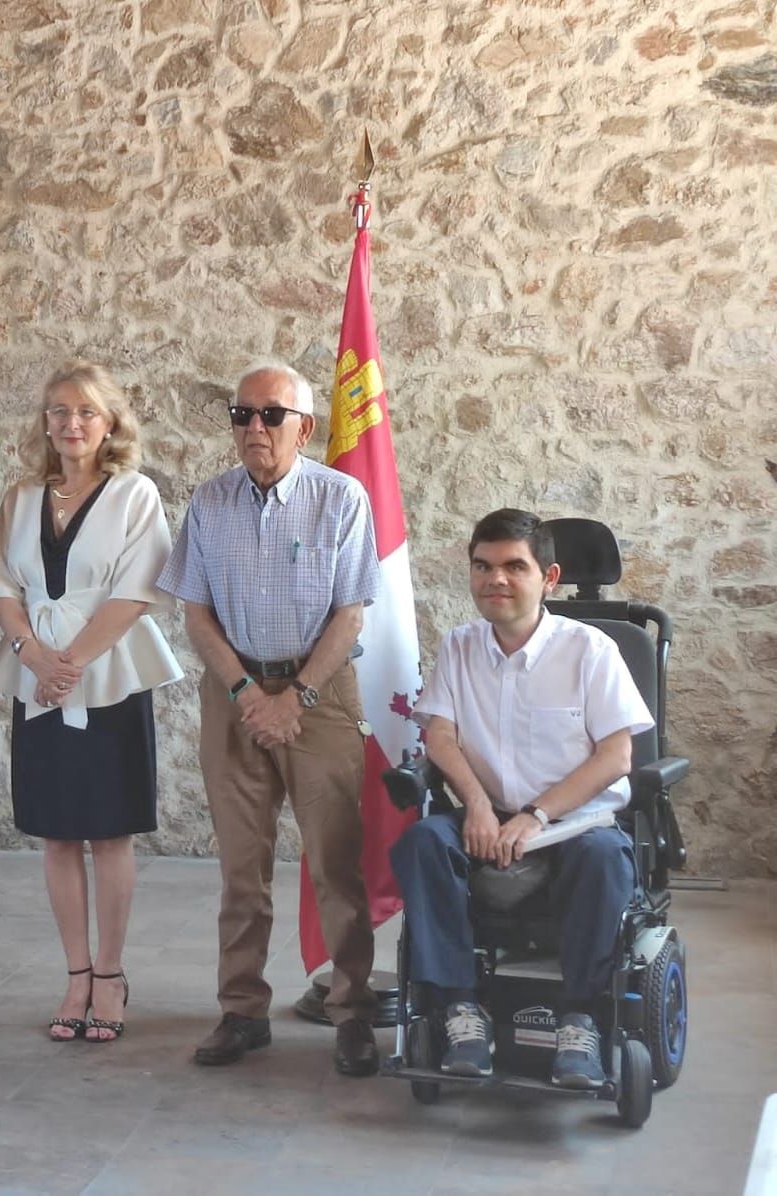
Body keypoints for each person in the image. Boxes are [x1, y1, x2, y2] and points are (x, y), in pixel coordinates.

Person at [157, 361, 382, 1077]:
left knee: (336, 863)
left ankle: (350, 1011)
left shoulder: (341, 499)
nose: (254, 428)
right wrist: (247, 693)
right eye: (242, 415)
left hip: (320, 697)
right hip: (235, 699)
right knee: (240, 867)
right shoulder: (210, 502)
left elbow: (350, 614)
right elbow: (194, 612)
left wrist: (297, 697)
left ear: (304, 427)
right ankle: (242, 1010)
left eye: (270, 416)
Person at [390, 508, 653, 1089]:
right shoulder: (460, 647)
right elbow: (440, 736)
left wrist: (537, 816)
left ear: (549, 578)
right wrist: (479, 806)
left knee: (605, 858)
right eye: (483, 566)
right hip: (486, 819)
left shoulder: (591, 651)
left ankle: (580, 1019)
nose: (496, 580)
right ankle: (459, 1009)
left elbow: (615, 758)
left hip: (573, 824)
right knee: (420, 843)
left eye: (514, 566)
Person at [0, 361, 182, 1043]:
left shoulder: (134, 495)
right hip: (36, 677)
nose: (71, 424)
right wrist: (33, 655)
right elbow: (3, 585)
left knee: (109, 828)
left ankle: (111, 972)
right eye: (60, 412)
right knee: (57, 829)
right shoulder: (19, 496)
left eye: (86, 413)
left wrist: (70, 664)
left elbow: (135, 591)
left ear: (111, 424)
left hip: (107, 676)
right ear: (45, 422)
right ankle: (74, 973)